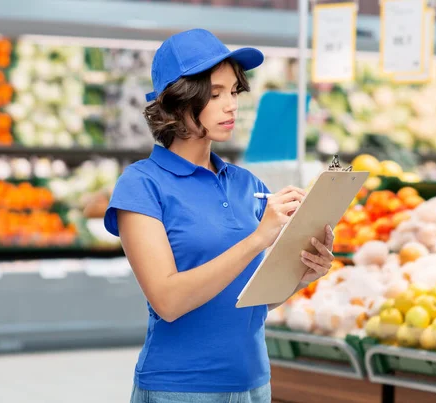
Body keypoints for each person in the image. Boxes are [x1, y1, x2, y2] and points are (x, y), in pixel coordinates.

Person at [104, 28, 335, 403]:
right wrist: (259, 238)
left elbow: (249, 301)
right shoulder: (141, 186)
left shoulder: (248, 184)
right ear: (178, 102)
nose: (231, 106)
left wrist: (303, 274)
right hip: (180, 389)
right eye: (214, 95)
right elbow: (168, 301)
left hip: (254, 384)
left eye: (233, 92)